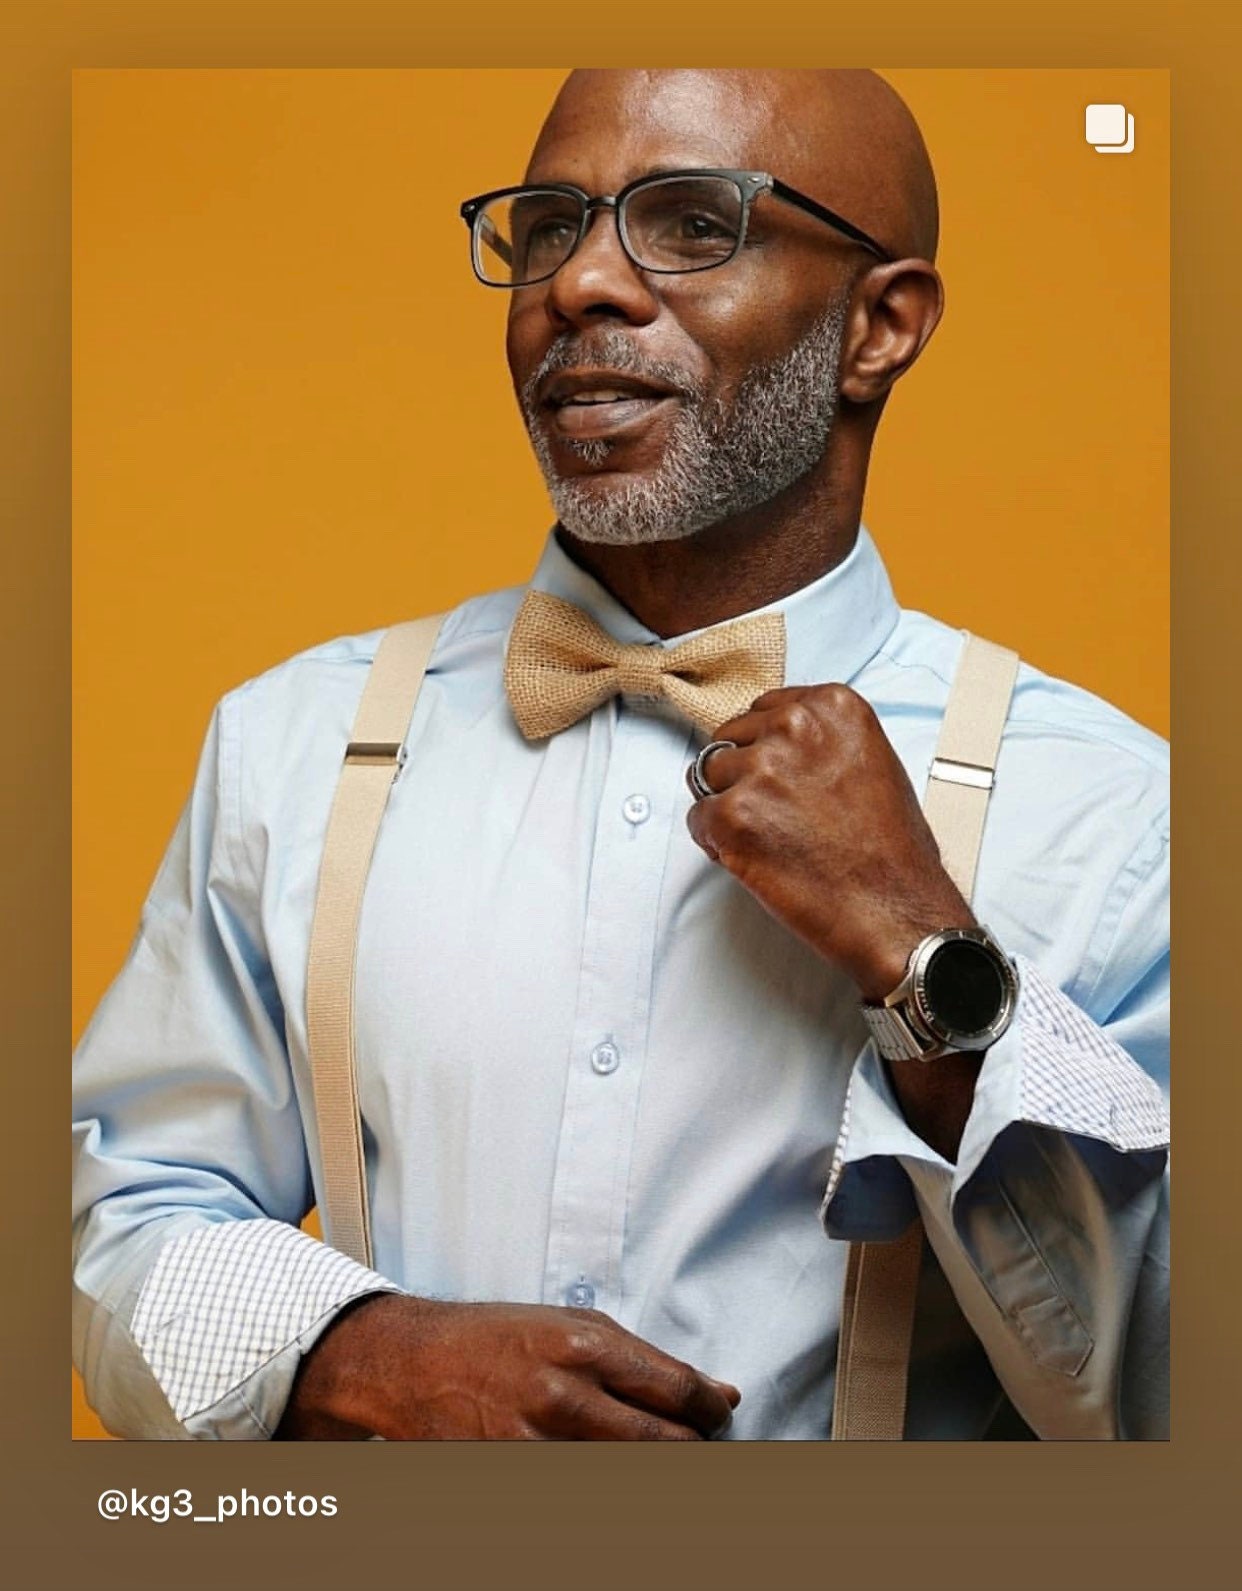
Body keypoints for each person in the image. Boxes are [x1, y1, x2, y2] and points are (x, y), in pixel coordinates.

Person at [71, 67, 1169, 1441]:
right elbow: (119, 1213)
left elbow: (1174, 1399)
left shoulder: (1118, 811)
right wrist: (345, 1353)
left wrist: (917, 949)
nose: (580, 283)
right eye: (548, 226)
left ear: (879, 327)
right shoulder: (293, 742)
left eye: (693, 222)